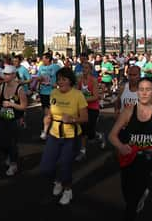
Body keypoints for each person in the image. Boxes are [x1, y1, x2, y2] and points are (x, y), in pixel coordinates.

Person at [109, 77, 152, 220]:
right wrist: (120, 146)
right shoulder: (127, 112)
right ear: (137, 92)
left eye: (148, 90)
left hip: (147, 157)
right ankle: (134, 202)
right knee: (127, 190)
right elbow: (112, 135)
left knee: (136, 192)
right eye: (141, 90)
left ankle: (132, 210)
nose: (145, 93)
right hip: (128, 157)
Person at [39, 67, 88, 205]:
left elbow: (85, 117)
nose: (60, 82)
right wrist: (48, 117)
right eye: (59, 79)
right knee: (46, 167)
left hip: (71, 136)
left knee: (65, 165)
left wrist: (72, 119)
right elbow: (51, 111)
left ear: (70, 81)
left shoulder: (77, 95)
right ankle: (58, 181)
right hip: (54, 134)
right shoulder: (54, 93)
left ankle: (67, 190)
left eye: (64, 79)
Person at [0, 64, 27, 176]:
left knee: (12, 143)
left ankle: (13, 165)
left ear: (13, 75)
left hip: (15, 119)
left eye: (7, 74)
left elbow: (24, 106)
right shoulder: (2, 86)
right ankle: (9, 155)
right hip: (3, 117)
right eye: (4, 74)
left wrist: (11, 104)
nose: (5, 76)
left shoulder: (19, 89)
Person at [76, 60, 105, 162]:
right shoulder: (79, 80)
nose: (84, 70)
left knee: (90, 131)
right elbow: (77, 92)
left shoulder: (94, 81)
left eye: (86, 68)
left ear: (90, 70)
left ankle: (99, 135)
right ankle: (82, 151)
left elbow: (96, 96)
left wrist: (82, 99)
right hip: (83, 108)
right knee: (83, 129)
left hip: (93, 108)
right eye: (83, 68)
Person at [36, 53, 60, 140]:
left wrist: (56, 84)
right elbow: (38, 77)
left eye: (44, 59)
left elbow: (61, 77)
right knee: (47, 113)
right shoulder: (41, 67)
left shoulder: (56, 67)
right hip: (43, 92)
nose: (42, 60)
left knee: (52, 113)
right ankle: (46, 131)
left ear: (48, 59)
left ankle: (48, 130)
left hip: (53, 93)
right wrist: (39, 79)